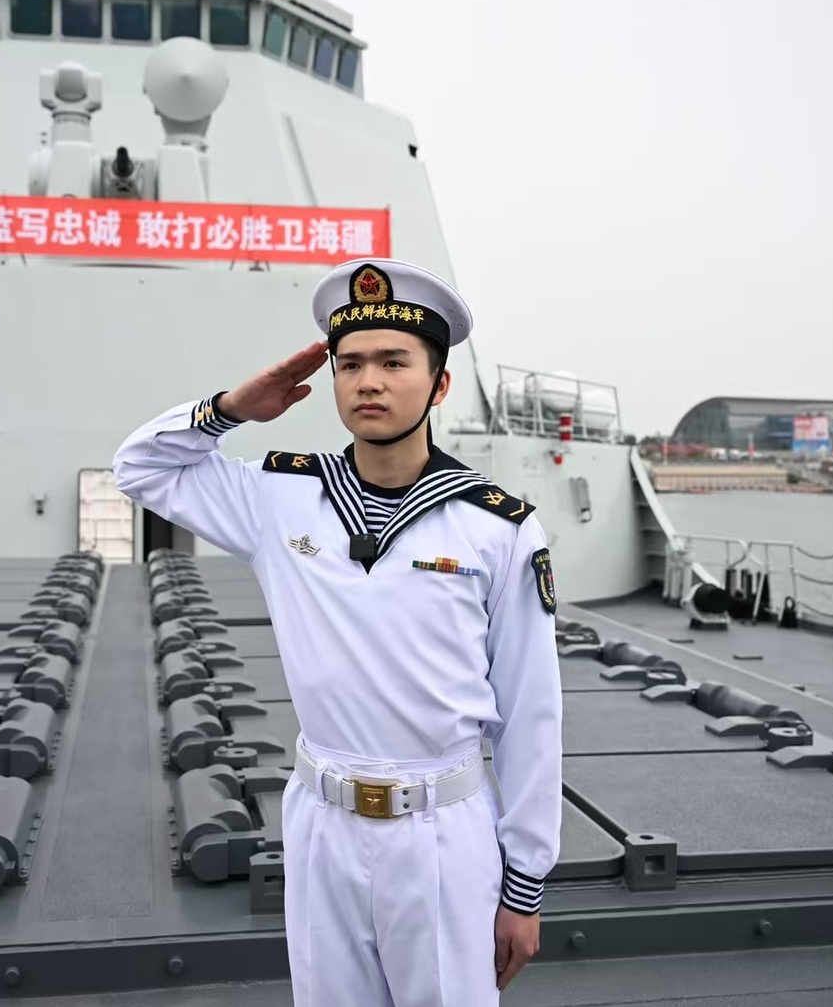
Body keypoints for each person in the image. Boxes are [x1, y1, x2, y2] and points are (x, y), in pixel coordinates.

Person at [113, 260, 563, 1005]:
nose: (368, 382)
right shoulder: (279, 496)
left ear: (439, 384)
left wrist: (525, 886)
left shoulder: (497, 528)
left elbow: (531, 715)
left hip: (442, 831)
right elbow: (139, 469)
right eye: (349, 364)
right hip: (322, 823)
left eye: (394, 362)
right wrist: (230, 409)